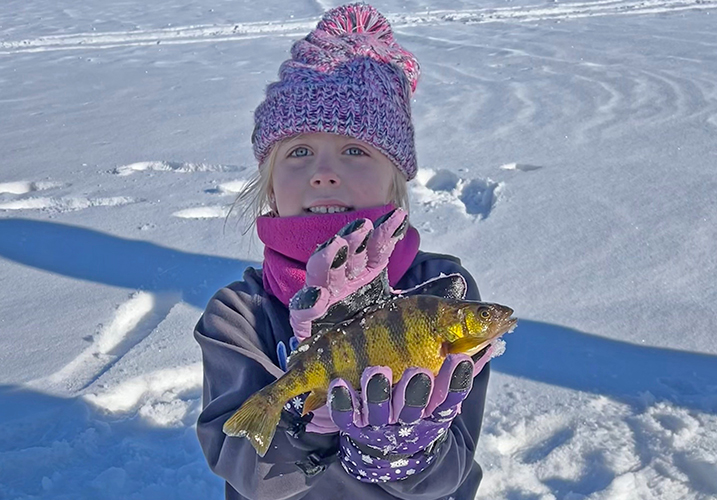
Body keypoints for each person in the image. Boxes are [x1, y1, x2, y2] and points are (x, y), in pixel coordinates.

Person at [194, 4, 496, 499]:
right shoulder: (238, 315)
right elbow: (247, 473)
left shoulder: (443, 294)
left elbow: (452, 476)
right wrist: (306, 419)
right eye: (298, 151)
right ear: (270, 188)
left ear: (394, 183)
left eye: (355, 149)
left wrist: (401, 451)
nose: (323, 172)